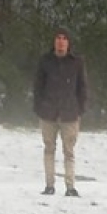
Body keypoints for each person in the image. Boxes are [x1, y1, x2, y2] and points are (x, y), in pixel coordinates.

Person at [32, 28, 88, 196]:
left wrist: (80, 109)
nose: (61, 41)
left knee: (69, 152)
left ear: (68, 42)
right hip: (48, 113)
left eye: (64, 38)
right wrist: (39, 108)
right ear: (54, 41)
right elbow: (38, 86)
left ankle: (70, 187)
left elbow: (83, 87)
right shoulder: (45, 61)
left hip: (70, 114)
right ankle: (49, 186)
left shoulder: (77, 62)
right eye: (58, 38)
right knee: (49, 149)